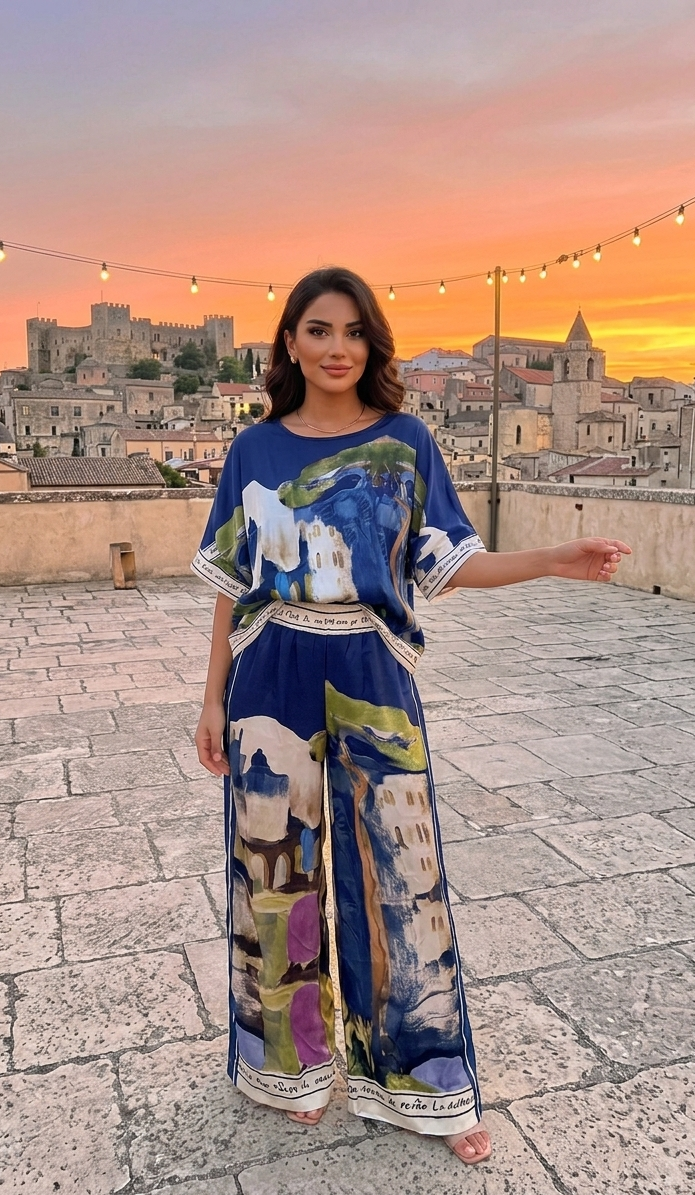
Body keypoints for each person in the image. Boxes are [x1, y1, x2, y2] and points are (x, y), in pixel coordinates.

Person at [193, 267, 630, 1166]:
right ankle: (291, 1065)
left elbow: (449, 561)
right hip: (268, 674)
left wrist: (551, 557)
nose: (337, 348)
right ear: (290, 343)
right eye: (319, 330)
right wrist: (209, 696)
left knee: (401, 873)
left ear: (372, 344)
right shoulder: (253, 450)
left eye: (354, 332)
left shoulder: (405, 440)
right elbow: (233, 585)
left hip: (372, 669)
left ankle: (422, 1082)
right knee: (274, 874)